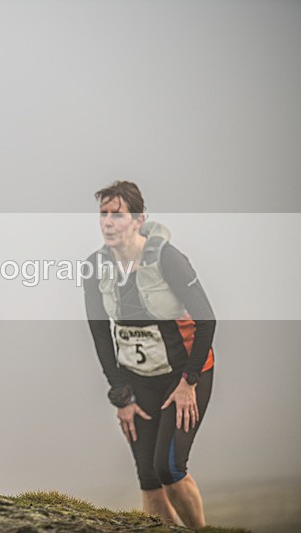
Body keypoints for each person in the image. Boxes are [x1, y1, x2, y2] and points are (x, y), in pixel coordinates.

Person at [83, 181, 215, 528]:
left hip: (184, 375)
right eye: (103, 215)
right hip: (138, 382)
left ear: (139, 219)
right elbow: (99, 332)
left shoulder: (167, 258)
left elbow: (207, 319)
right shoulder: (95, 266)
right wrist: (120, 395)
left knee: (169, 468)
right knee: (148, 478)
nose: (108, 223)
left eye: (117, 214)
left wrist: (189, 381)